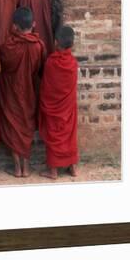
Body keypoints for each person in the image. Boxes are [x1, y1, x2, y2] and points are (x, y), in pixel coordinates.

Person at [0, 7, 46, 178]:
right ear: (34, 24)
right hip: (29, 91)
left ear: (14, 26)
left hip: (10, 91)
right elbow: (40, 69)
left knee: (12, 126)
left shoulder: (7, 46)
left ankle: (17, 168)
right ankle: (27, 167)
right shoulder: (39, 46)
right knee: (26, 126)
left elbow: (0, 67)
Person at [39, 26, 79, 180]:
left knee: (53, 134)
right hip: (68, 107)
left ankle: (53, 171)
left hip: (53, 107)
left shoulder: (51, 62)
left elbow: (46, 86)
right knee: (69, 135)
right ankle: (73, 167)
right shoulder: (73, 63)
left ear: (55, 42)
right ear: (72, 44)